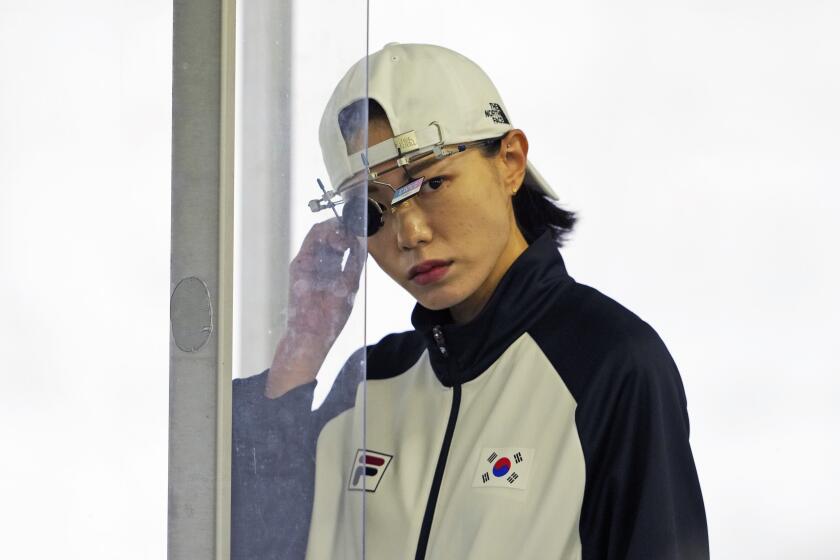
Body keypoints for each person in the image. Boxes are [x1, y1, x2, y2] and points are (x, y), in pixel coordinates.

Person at [232, 42, 709, 560]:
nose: (409, 232)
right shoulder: (371, 383)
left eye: (432, 181)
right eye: (371, 210)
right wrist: (300, 352)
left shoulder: (610, 365)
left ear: (510, 161)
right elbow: (246, 541)